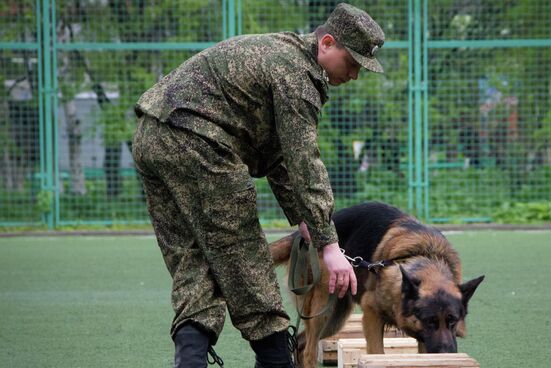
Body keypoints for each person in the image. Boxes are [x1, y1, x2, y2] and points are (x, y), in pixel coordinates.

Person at [131, 3, 384, 368]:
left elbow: (278, 159)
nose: (356, 74)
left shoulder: (281, 53)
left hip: (151, 138)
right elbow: (304, 162)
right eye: (353, 62)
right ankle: (276, 359)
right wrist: (330, 245)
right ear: (327, 43)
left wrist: (306, 221)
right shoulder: (298, 76)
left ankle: (191, 360)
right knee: (244, 256)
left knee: (193, 261)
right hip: (198, 142)